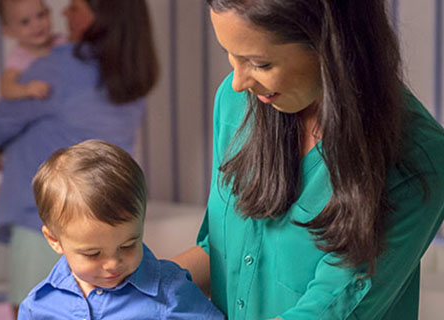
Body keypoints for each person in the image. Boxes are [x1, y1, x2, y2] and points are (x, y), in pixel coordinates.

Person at [173, 1, 444, 319]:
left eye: (259, 63)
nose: (238, 82)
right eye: (230, 56)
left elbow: (326, 310)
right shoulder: (236, 102)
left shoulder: (418, 160)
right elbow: (222, 252)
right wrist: (134, 283)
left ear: (330, 45)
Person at [0, 0, 158, 315]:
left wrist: (6, 147)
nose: (63, 14)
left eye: (74, 7)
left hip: (47, 219)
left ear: (101, 14)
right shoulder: (132, 77)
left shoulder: (58, 67)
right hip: (111, 222)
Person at [17, 140, 224, 319]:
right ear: (54, 240)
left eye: (127, 246)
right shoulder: (38, 306)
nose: (113, 264)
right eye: (93, 254)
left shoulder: (170, 291)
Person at [0, 0, 68, 227]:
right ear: (9, 31)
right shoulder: (20, 57)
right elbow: (5, 87)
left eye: (41, 15)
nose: (37, 25)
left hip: (45, 133)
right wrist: (26, 89)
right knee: (12, 177)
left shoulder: (62, 44)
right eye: (25, 22)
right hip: (21, 131)